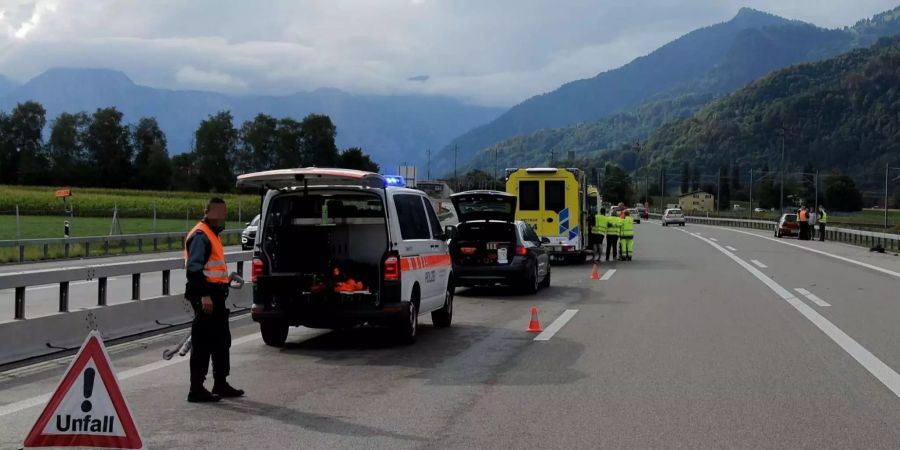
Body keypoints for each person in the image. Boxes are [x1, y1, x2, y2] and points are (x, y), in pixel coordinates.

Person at [184, 198, 244, 403]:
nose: (221, 218)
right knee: (203, 343)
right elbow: (193, 269)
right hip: (205, 296)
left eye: (223, 214)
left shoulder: (212, 235)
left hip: (216, 295)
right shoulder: (201, 235)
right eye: (217, 214)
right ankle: (196, 388)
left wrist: (223, 281)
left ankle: (220, 383)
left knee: (221, 341)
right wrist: (203, 295)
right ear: (206, 212)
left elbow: (212, 269)